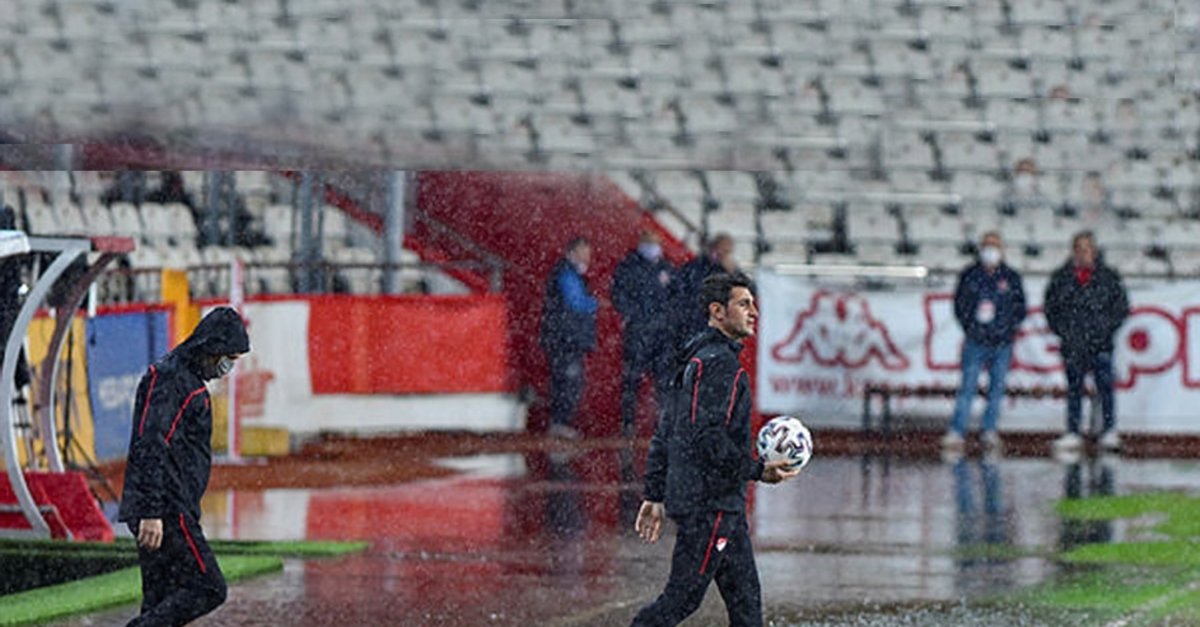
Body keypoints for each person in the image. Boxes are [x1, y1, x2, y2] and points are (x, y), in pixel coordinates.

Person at [632, 273, 798, 627]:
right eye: (743, 304)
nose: (754, 311)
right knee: (680, 601)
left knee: (748, 610)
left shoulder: (695, 356)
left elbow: (667, 431)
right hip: (710, 508)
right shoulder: (720, 365)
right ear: (717, 311)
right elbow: (706, 439)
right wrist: (758, 470)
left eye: (753, 303)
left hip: (720, 508)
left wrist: (654, 492)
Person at [118, 307, 250, 626]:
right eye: (227, 358)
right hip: (166, 509)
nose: (227, 367)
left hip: (172, 506)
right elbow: (151, 442)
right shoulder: (171, 379)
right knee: (209, 587)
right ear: (211, 347)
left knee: (160, 600)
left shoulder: (186, 380)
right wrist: (152, 511)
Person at [1044, 231, 1129, 452]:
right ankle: (1073, 431)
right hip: (1074, 344)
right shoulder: (1061, 277)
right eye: (1079, 249)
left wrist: (1105, 330)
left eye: (1087, 248)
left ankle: (1109, 430)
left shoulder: (1108, 277)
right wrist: (1065, 332)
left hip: (1100, 344)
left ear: (1095, 250)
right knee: (1074, 389)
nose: (1083, 253)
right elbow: (1051, 308)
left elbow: (1121, 308)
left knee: (1105, 388)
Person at [942, 231, 1027, 452]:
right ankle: (957, 430)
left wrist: (1006, 330)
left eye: (995, 246)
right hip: (976, 341)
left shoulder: (1011, 277)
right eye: (987, 246)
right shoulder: (969, 275)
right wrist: (973, 328)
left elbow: (1020, 309)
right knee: (968, 386)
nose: (991, 251)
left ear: (1002, 250)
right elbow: (960, 305)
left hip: (1002, 343)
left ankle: (989, 430)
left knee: (996, 388)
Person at [611, 230, 675, 437]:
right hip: (638, 332)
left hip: (662, 334)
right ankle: (627, 423)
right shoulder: (629, 267)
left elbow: (675, 297)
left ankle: (662, 424)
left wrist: (666, 320)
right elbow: (618, 295)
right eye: (648, 243)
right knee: (632, 379)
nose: (652, 247)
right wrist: (634, 315)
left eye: (655, 243)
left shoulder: (667, 268)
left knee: (663, 381)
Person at [539, 237, 598, 439]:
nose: (587, 259)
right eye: (584, 254)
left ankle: (560, 422)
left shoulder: (567, 274)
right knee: (568, 383)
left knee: (566, 382)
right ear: (572, 252)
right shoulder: (566, 274)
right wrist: (594, 303)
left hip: (565, 339)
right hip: (566, 340)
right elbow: (575, 303)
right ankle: (560, 423)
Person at [669, 233, 736, 351]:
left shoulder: (729, 272)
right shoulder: (696, 267)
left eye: (728, 252)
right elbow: (680, 292)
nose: (726, 255)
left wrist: (733, 272)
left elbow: (749, 292)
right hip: (694, 325)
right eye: (724, 250)